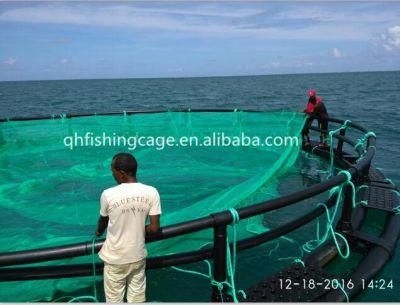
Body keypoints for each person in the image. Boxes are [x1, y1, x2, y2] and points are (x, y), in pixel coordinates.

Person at [95, 152, 161, 303]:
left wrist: (98, 232)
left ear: (122, 173)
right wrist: (136, 230)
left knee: (114, 300)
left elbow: (102, 221)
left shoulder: (108, 194)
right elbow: (155, 228)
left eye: (113, 171)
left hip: (115, 258)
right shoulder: (152, 192)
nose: (113, 174)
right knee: (137, 299)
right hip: (138, 255)